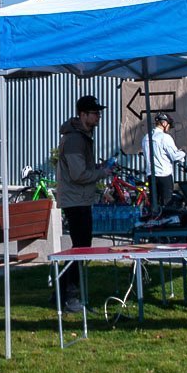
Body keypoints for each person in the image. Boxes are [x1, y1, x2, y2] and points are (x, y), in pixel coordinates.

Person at [55, 95, 113, 313]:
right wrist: (101, 173)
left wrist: (96, 168)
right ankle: (71, 296)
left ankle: (60, 292)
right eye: (95, 113)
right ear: (83, 115)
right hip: (75, 199)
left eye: (98, 112)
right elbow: (78, 173)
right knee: (81, 248)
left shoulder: (82, 136)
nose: (98, 116)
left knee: (80, 247)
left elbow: (80, 168)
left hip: (79, 198)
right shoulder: (75, 139)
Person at [142, 113, 187, 208]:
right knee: (167, 204)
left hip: (151, 175)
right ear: (164, 123)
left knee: (154, 205)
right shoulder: (165, 137)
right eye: (169, 125)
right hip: (164, 175)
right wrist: (183, 152)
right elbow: (174, 156)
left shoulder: (146, 138)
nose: (169, 128)